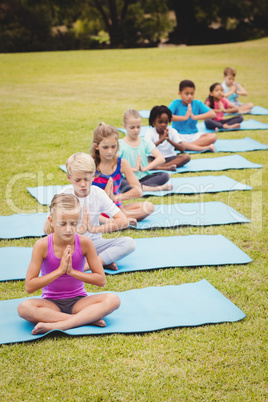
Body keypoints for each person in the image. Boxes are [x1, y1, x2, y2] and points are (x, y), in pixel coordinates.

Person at [17, 193, 120, 335]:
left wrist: (72, 272)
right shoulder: (41, 246)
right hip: (51, 304)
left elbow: (101, 280)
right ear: (51, 221)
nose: (68, 229)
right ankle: (86, 319)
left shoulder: (85, 243)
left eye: (73, 223)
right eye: (63, 224)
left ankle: (61, 324)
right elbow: (29, 286)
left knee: (113, 299)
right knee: (24, 308)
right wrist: (59, 271)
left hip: (79, 302)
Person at [52, 152, 136, 271]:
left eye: (87, 179)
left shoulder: (98, 193)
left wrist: (94, 229)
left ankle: (91, 264)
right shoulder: (63, 195)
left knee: (129, 243)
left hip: (94, 244)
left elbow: (123, 221)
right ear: (69, 178)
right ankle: (101, 260)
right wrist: (76, 232)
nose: (83, 184)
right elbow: (49, 229)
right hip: (70, 245)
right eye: (77, 180)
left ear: (93, 176)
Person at [91, 122, 154, 226]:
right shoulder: (90, 164)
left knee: (149, 207)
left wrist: (115, 198)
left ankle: (116, 220)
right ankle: (117, 221)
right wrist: (104, 198)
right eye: (105, 147)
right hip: (95, 211)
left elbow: (138, 191)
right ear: (96, 146)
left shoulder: (122, 163)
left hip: (116, 210)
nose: (110, 151)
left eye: (113, 147)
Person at [119, 109, 173, 193]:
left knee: (164, 175)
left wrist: (144, 168)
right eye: (132, 127)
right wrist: (133, 169)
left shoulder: (145, 142)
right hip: (127, 178)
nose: (136, 130)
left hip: (144, 177)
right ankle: (152, 188)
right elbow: (114, 166)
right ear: (124, 126)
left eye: (138, 127)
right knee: (119, 183)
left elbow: (161, 158)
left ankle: (138, 187)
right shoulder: (120, 144)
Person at [168, 79, 217, 149]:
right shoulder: (175, 103)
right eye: (186, 94)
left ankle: (185, 146)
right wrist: (185, 117)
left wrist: (194, 117)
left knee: (213, 137)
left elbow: (212, 114)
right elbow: (166, 116)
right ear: (180, 93)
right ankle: (193, 147)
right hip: (178, 135)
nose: (190, 96)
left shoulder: (197, 103)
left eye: (192, 93)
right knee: (168, 136)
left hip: (194, 135)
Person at [144, 105, 190, 171]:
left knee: (186, 157)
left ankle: (158, 167)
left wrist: (169, 140)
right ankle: (166, 168)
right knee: (140, 159)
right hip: (154, 158)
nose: (163, 125)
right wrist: (161, 140)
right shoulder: (150, 132)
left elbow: (182, 149)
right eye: (160, 122)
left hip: (170, 158)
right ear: (153, 121)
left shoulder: (172, 131)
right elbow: (147, 149)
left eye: (166, 122)